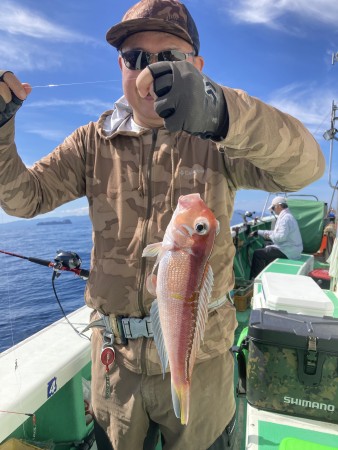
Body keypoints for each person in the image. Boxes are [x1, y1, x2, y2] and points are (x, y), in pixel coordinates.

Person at [0, 0, 325, 448]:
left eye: (168, 58)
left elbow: (305, 168)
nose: (149, 72)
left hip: (203, 360)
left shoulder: (222, 137)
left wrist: (222, 110)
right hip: (116, 367)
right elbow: (22, 197)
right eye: (135, 58)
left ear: (197, 65)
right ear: (120, 66)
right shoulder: (92, 142)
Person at [249, 196, 303, 279]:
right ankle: (265, 274)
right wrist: (259, 232)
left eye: (273, 207)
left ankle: (255, 279)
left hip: (289, 250)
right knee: (266, 246)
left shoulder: (285, 219)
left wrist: (268, 235)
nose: (273, 210)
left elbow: (280, 237)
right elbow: (277, 233)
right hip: (291, 248)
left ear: (279, 206)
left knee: (258, 254)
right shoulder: (286, 216)